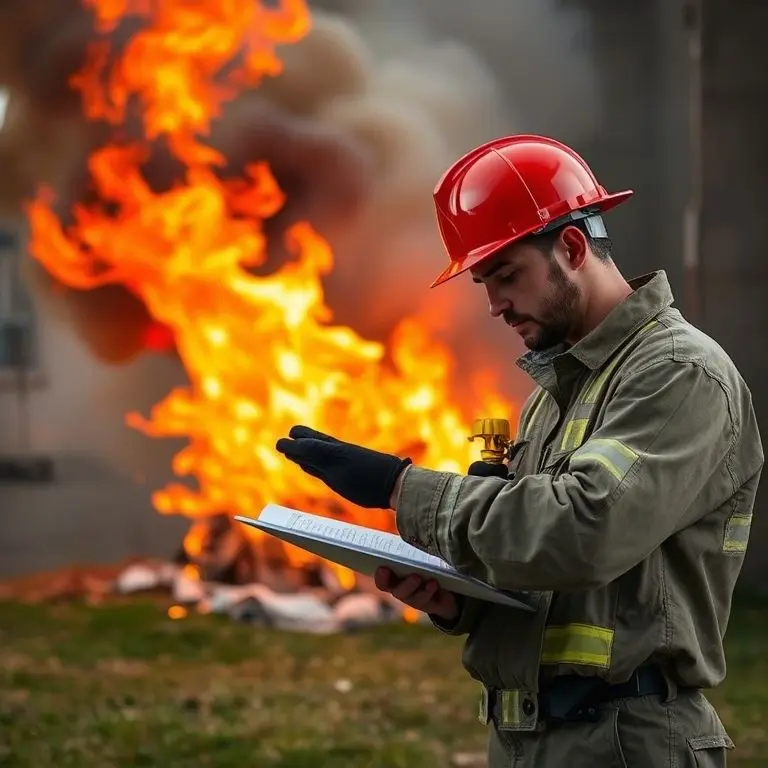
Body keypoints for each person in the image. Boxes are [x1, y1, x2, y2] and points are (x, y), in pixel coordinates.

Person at [275, 134, 764, 767]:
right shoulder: (553, 394)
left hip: (627, 743)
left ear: (572, 246)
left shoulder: (679, 374)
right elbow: (553, 582)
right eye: (484, 281)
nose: (495, 303)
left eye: (507, 275)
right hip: (532, 739)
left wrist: (400, 487)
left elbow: (583, 532)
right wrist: (461, 599)